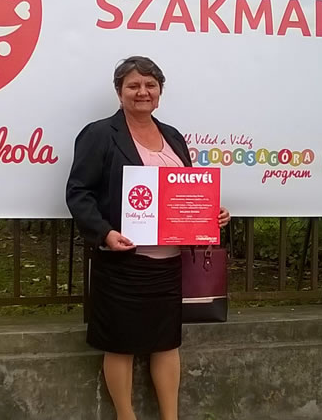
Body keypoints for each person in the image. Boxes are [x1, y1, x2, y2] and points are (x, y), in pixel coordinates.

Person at [66, 56, 230, 420]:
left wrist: (209, 213)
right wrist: (105, 233)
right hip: (123, 260)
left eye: (150, 85)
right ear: (119, 92)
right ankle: (126, 417)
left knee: (166, 343)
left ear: (160, 91)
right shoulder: (99, 134)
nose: (143, 92)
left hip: (168, 262)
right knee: (120, 344)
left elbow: (184, 192)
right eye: (133, 85)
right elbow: (79, 193)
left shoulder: (173, 136)